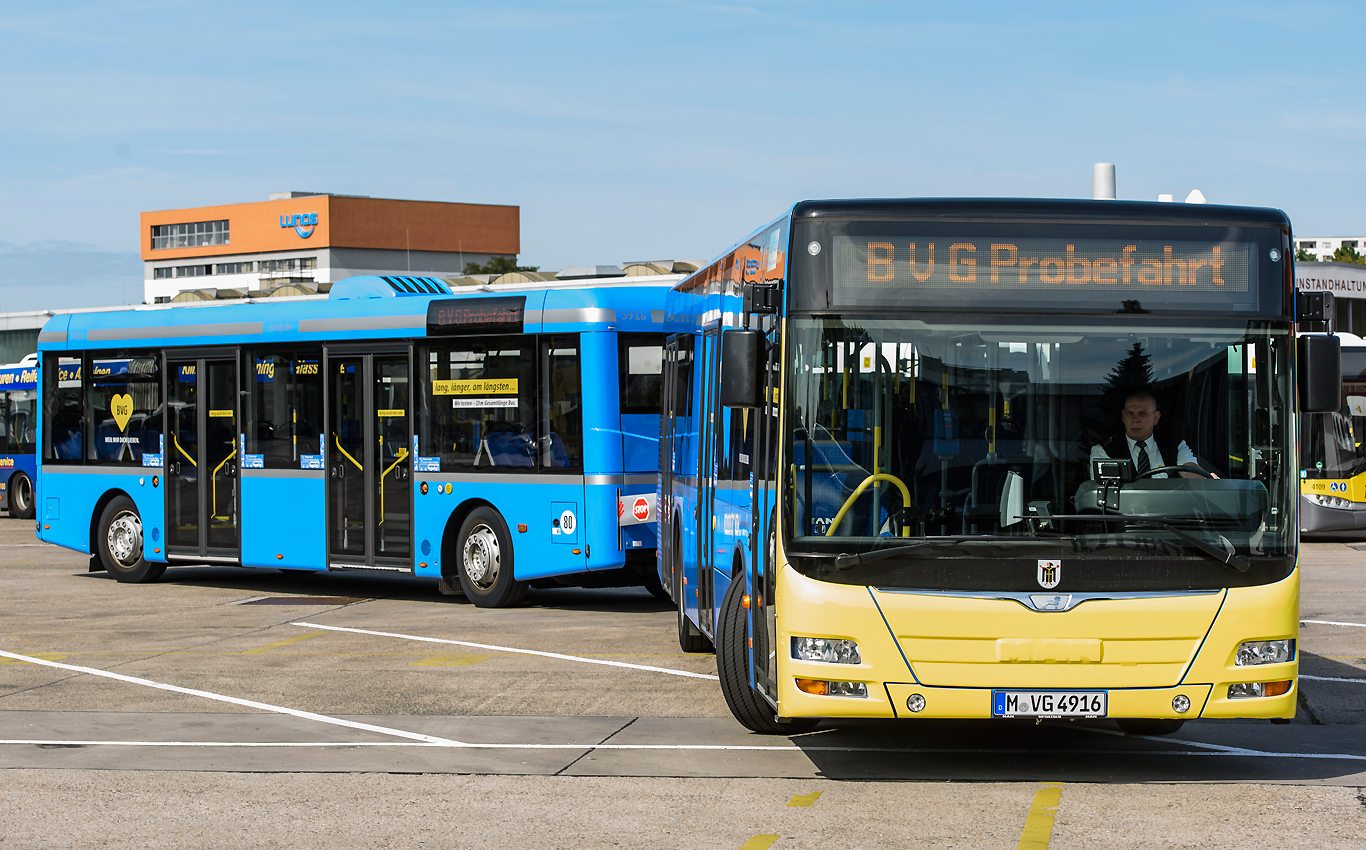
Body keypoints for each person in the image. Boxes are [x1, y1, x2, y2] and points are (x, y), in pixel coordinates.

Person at [1090, 390, 1214, 479]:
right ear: (1123, 416)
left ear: (1156, 418)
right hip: (1125, 515)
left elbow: (1189, 468)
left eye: (1142, 413)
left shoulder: (1176, 446)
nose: (1135, 419)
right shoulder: (1103, 451)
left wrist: (1205, 477)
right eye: (1130, 413)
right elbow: (1103, 490)